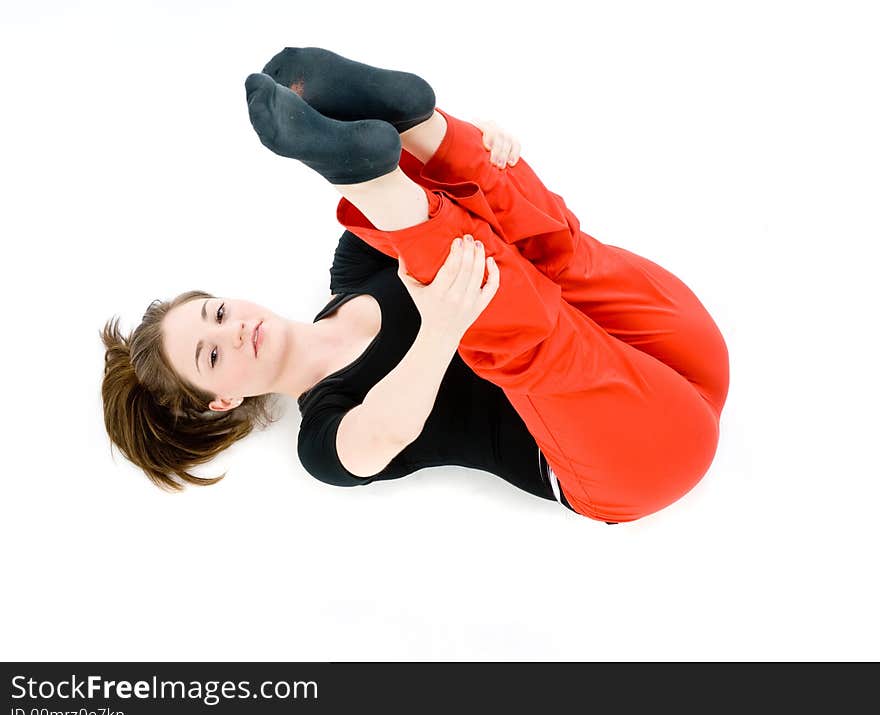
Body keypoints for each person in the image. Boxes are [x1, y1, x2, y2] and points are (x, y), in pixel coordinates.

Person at [100, 47, 729, 523]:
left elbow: (453, 203)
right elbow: (384, 434)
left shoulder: (350, 277)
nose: (233, 331)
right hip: (634, 459)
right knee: (517, 330)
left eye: (215, 314)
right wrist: (442, 329)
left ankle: (419, 124)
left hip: (670, 351)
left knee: (553, 255)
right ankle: (368, 164)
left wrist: (481, 154)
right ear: (221, 402)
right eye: (212, 355)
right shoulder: (322, 436)